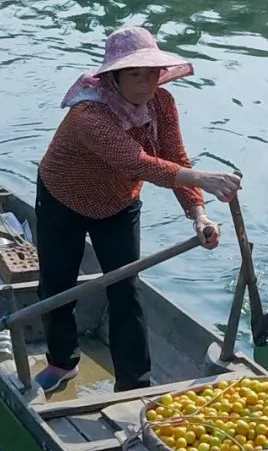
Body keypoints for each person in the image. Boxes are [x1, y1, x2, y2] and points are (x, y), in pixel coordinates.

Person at [34, 25, 241, 395]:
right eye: (134, 75)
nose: (145, 85)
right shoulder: (89, 116)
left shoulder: (162, 103)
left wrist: (199, 213)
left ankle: (134, 385)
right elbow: (138, 162)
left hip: (119, 203)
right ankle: (62, 361)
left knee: (125, 289)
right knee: (56, 286)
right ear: (113, 77)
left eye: (151, 75)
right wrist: (203, 178)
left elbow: (174, 157)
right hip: (63, 199)